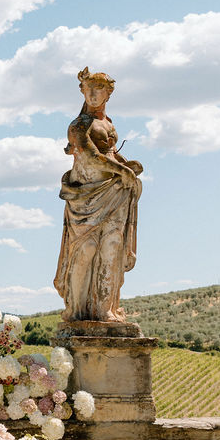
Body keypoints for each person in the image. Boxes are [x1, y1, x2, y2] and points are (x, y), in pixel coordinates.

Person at [54, 67, 142, 323]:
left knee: (112, 247)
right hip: (86, 197)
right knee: (86, 249)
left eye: (99, 90)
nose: (93, 94)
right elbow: (90, 156)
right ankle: (77, 310)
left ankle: (106, 310)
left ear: (108, 93)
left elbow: (109, 153)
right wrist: (121, 171)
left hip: (113, 194)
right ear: (82, 91)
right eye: (89, 90)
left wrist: (126, 165)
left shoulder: (109, 124)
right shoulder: (78, 125)